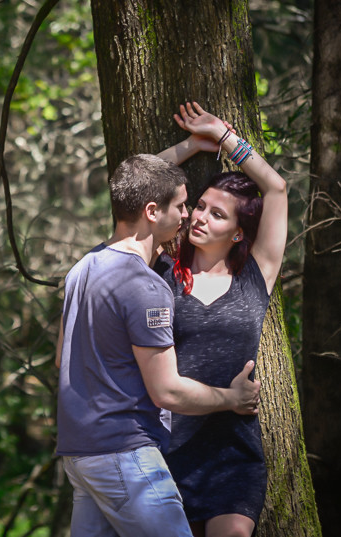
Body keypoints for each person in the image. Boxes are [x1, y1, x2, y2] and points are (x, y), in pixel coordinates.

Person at [54, 152, 262, 537]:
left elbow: (60, 359)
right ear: (152, 211)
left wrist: (186, 146)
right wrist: (231, 399)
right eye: (182, 206)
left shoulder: (83, 268)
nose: (187, 215)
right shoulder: (145, 285)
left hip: (79, 456)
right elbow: (167, 391)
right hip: (124, 454)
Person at [154, 101, 288, 537]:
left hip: (233, 456)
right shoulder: (162, 271)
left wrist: (225, 136)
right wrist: (192, 145)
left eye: (217, 213)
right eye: (200, 205)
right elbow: (136, 184)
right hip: (166, 455)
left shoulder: (256, 277)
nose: (199, 216)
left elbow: (277, 189)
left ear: (238, 233)